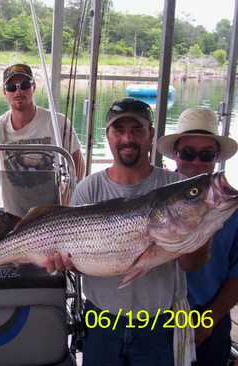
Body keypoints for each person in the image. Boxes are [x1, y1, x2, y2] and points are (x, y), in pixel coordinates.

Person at [59, 98, 209, 366]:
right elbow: (79, 265)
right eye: (119, 130)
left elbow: (192, 264)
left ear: (151, 134)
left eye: (137, 130)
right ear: (108, 136)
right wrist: (66, 264)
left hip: (159, 322)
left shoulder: (175, 186)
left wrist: (199, 227)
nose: (127, 138)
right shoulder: (87, 189)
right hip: (102, 318)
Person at [157, 107, 238, 366]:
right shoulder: (151, 198)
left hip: (209, 316)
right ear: (176, 155)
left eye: (206, 155)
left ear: (216, 159)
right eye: (188, 153)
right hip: (153, 319)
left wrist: (208, 321)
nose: (196, 162)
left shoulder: (232, 207)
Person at [0, 63, 85, 217]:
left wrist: (68, 200)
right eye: (11, 87)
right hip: (13, 218)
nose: (18, 91)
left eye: (24, 85)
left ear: (33, 87)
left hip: (51, 217)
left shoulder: (59, 123)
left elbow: (77, 166)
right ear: (4, 92)